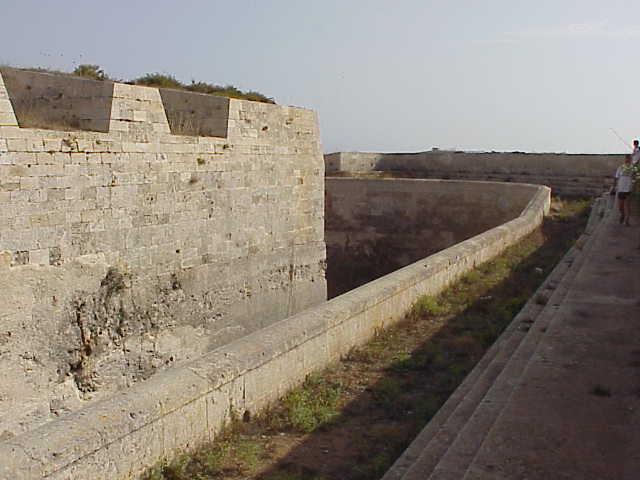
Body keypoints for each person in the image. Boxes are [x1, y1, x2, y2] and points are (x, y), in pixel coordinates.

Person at [613, 155, 638, 226]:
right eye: (626, 159)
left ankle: (627, 221)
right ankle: (622, 214)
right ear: (625, 160)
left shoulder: (633, 168)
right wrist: (614, 186)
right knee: (620, 207)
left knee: (627, 206)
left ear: (630, 160)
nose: (627, 160)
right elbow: (616, 178)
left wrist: (634, 185)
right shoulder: (620, 168)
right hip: (621, 189)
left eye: (629, 159)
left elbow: (636, 176)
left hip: (629, 189)